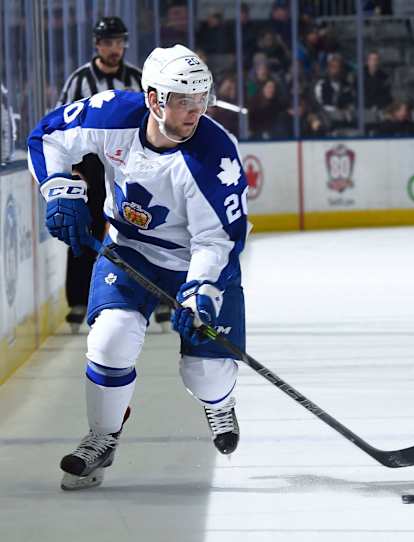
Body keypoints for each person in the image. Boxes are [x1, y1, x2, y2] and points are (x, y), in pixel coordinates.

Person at [27, 44, 249, 490]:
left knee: (204, 375)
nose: (195, 111)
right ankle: (103, 438)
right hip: (128, 250)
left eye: (201, 99)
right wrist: (56, 186)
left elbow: (218, 238)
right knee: (110, 340)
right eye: (183, 100)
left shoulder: (215, 156)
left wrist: (201, 290)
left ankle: (219, 400)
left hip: (194, 264)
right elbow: (47, 136)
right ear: (153, 99)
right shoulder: (113, 115)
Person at [56, 17, 150, 332]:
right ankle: (79, 301)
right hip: (91, 167)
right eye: (108, 42)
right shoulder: (79, 80)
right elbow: (61, 126)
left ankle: (156, 299)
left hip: (131, 165)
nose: (115, 48)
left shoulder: (138, 78)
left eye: (119, 42)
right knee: (86, 228)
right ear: (97, 45)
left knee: (145, 229)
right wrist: (71, 170)